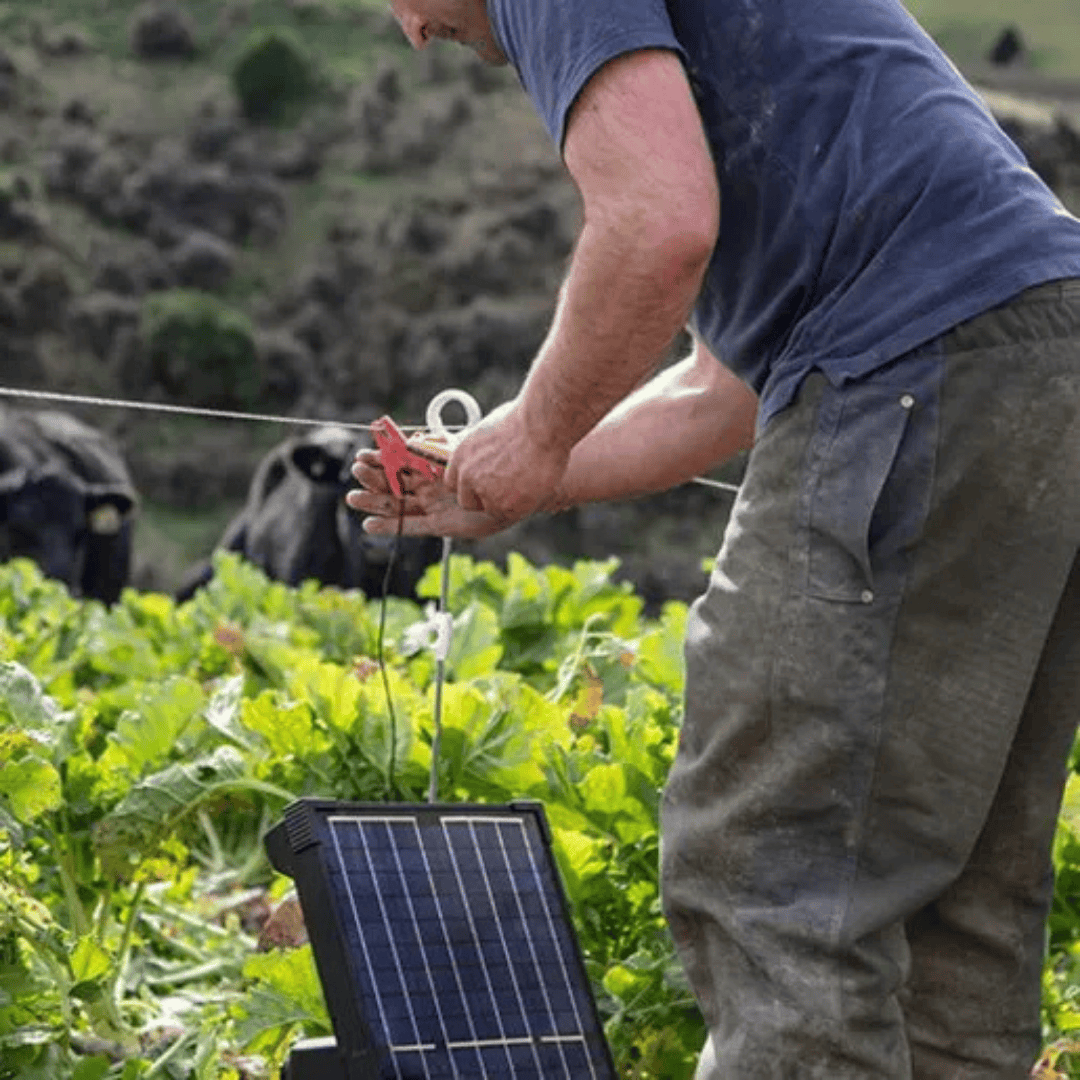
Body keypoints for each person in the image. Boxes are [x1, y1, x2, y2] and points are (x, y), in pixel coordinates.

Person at [347, 1, 1080, 1076]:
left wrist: (538, 432)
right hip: (1037, 357)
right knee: (953, 897)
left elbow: (658, 225)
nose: (413, 32)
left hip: (910, 369)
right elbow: (717, 392)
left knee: (772, 865)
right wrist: (520, 474)